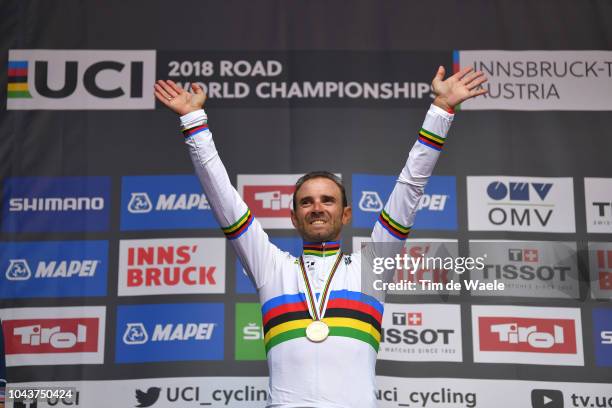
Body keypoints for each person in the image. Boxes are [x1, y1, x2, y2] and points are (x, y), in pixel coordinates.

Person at [154, 66, 486, 408]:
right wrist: (194, 122)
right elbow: (222, 198)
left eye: (328, 200)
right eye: (306, 202)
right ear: (294, 217)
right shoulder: (271, 268)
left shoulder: (371, 267)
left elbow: (411, 187)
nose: (317, 208)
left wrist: (440, 110)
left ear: (345, 214)